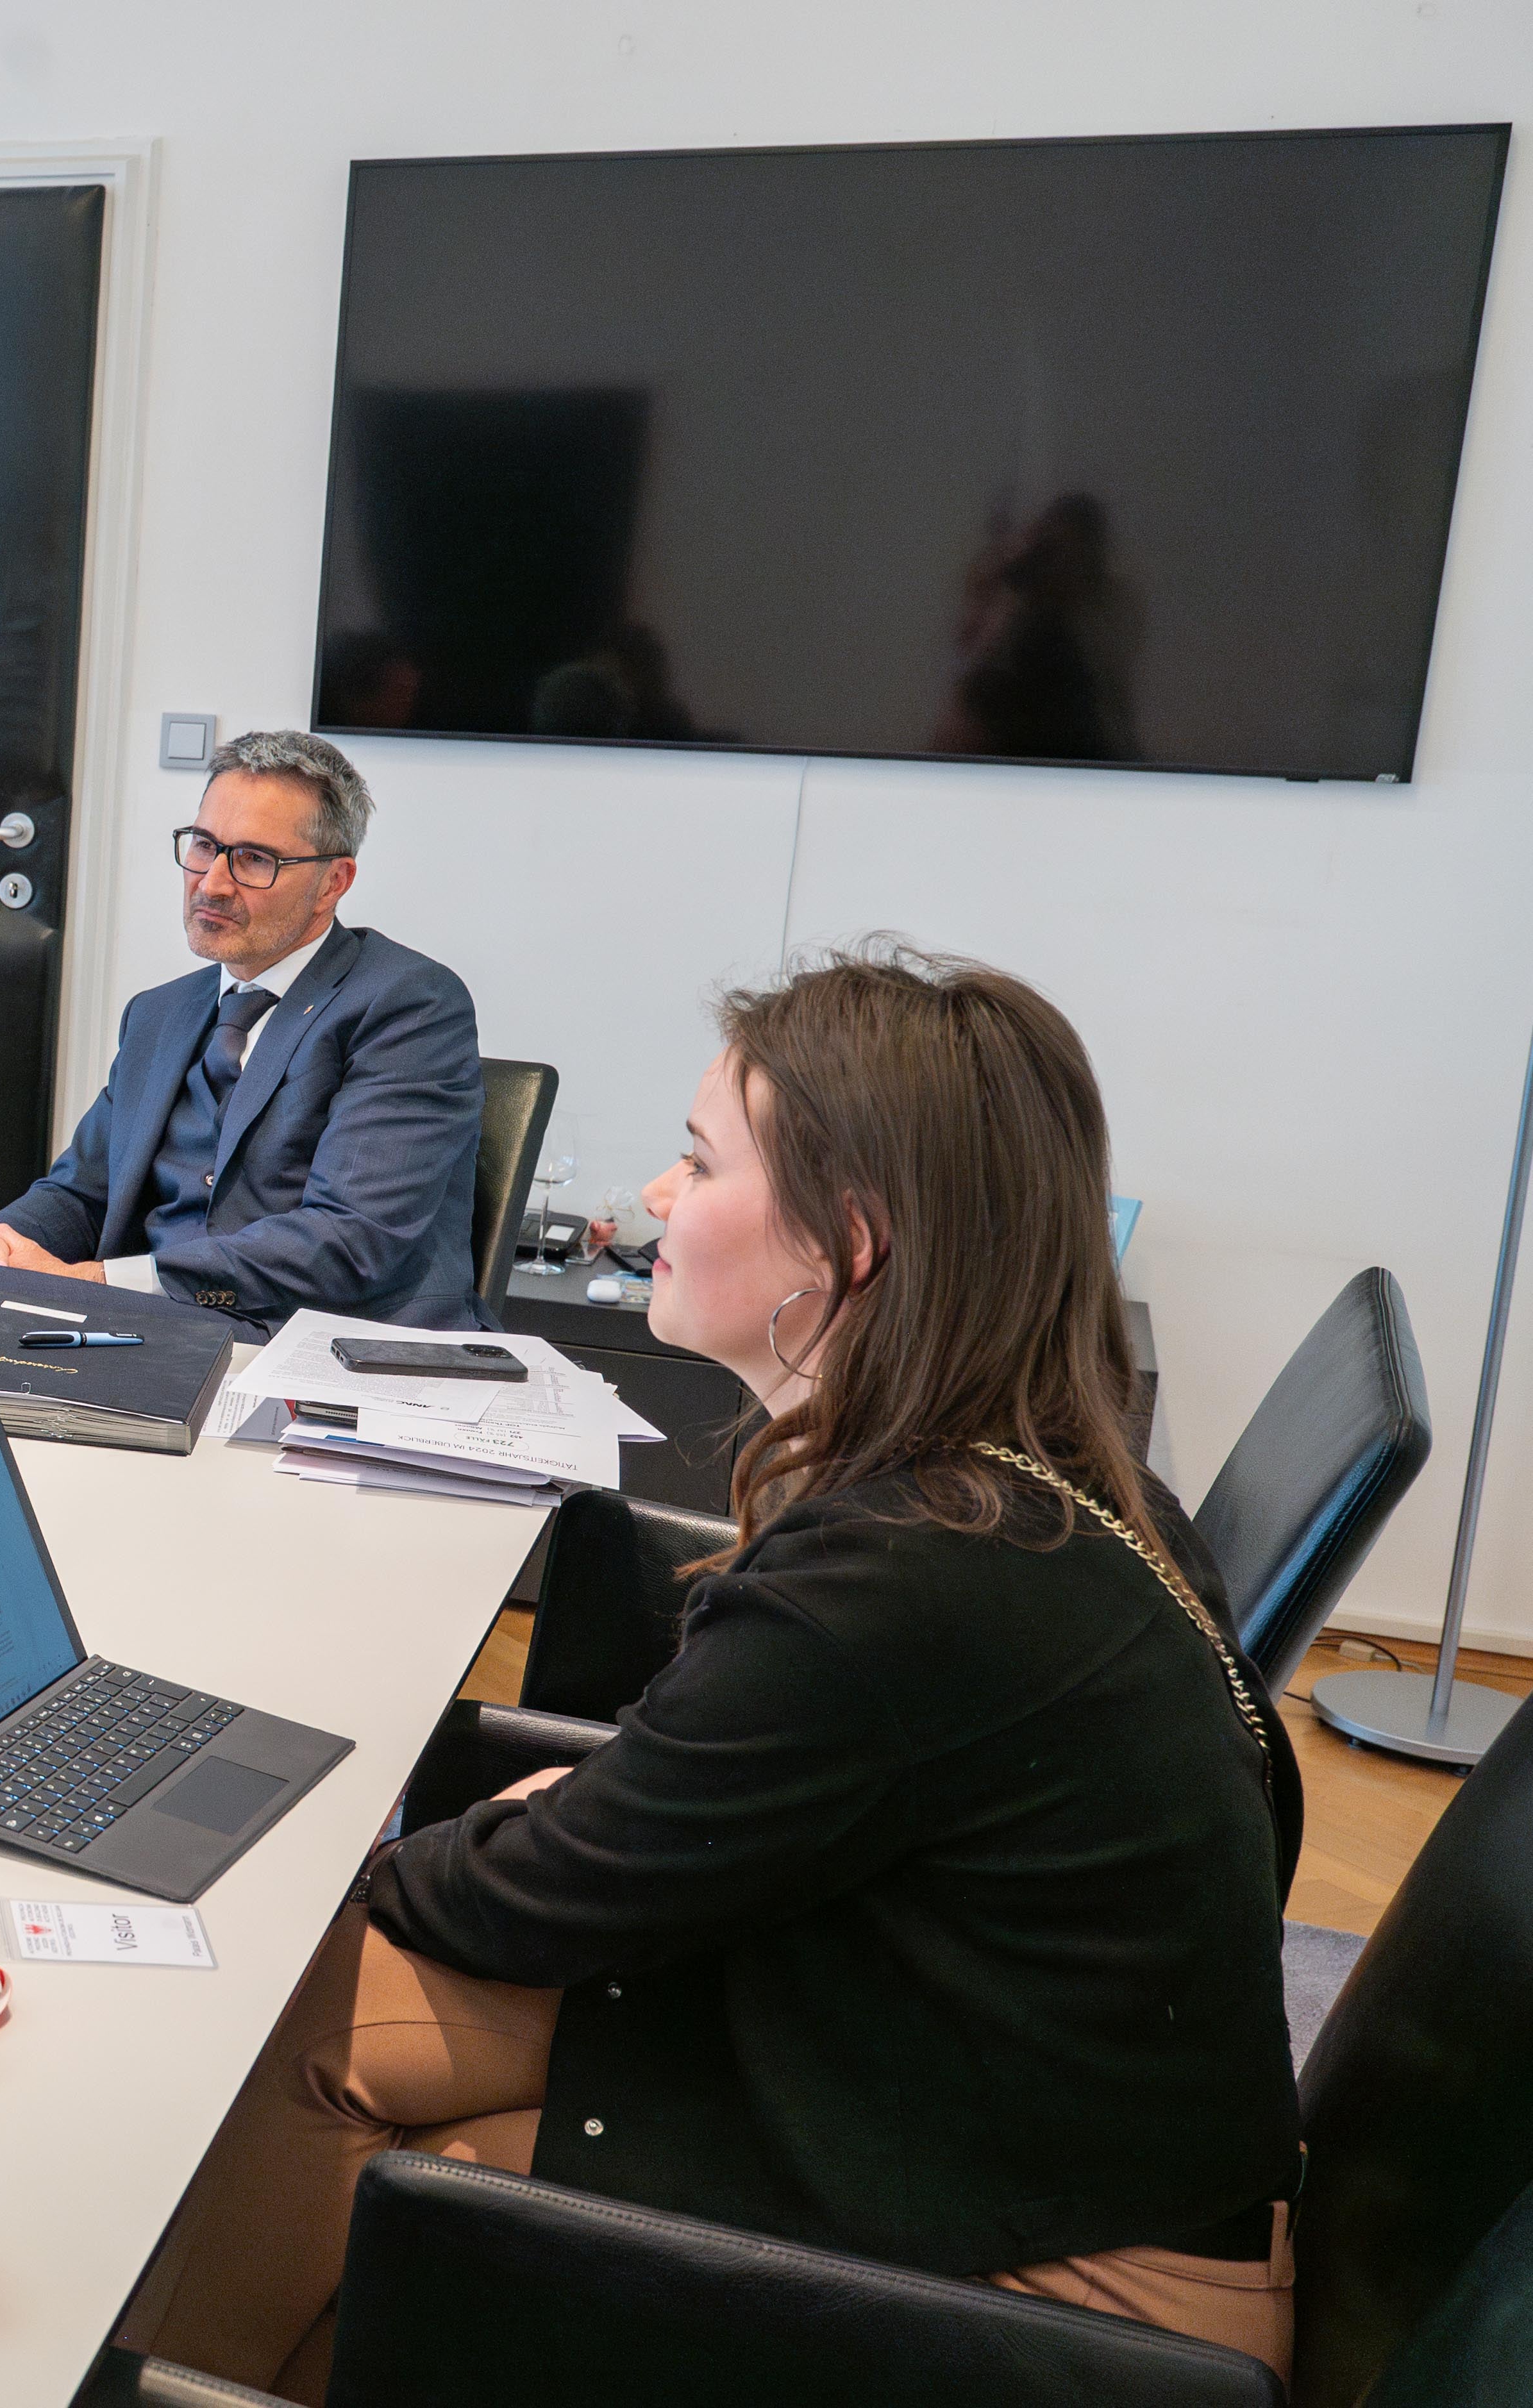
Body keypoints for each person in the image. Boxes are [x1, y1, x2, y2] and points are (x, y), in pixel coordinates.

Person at [117, 946, 1300, 2400]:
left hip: (1063, 2283)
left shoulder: (907, 1576)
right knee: (340, 2047)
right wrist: (562, 1815)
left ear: (844, 1242)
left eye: (698, 1160)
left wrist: (412, 1846)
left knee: (363, 2091)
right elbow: (676, 1816)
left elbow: (533, 1894)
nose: (656, 1196)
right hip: (963, 2091)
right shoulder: (1029, 1485)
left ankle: (172, 2372)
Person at [0, 729, 485, 1332]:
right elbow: (82, 1193)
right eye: (204, 845)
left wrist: (97, 1280)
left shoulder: (407, 1003)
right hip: (157, 1325)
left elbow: (350, 1239)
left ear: (332, 883)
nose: (212, 883)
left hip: (302, 1334)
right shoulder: (160, 1014)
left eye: (254, 860)